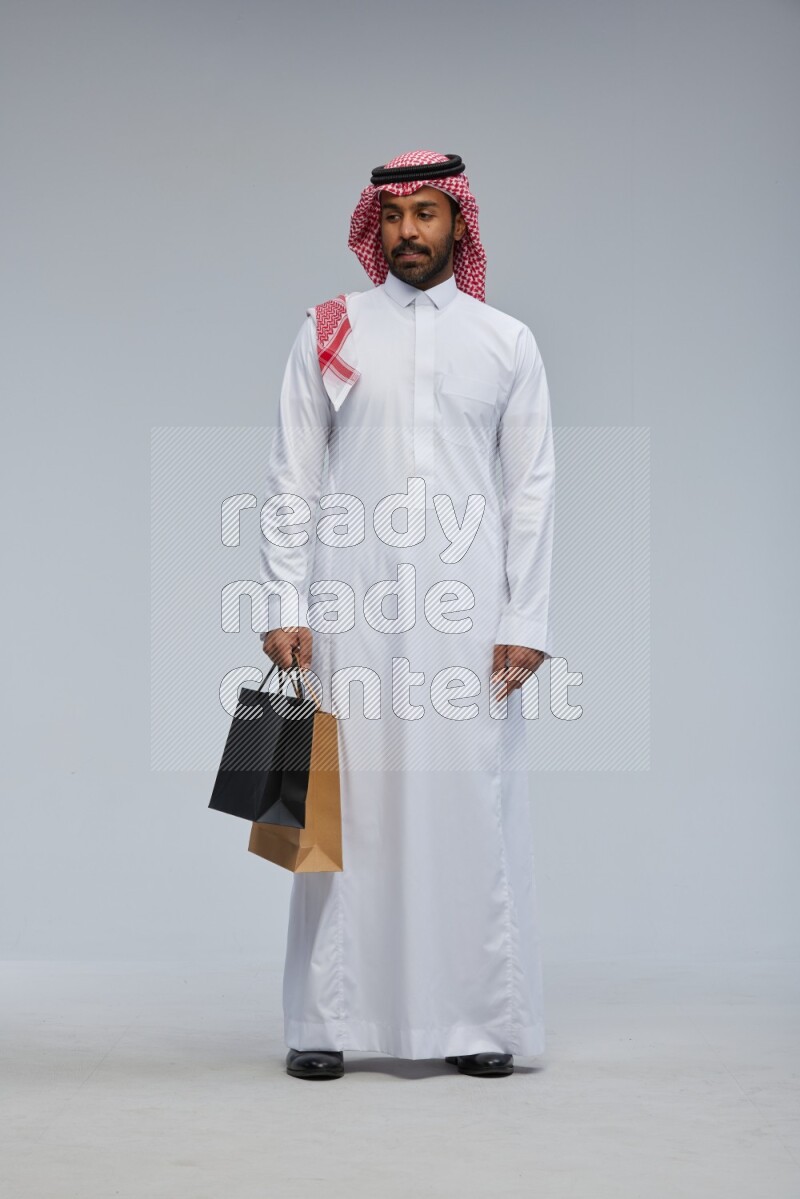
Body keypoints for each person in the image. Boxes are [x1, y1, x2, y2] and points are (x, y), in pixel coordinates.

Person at [257, 150, 556, 1080]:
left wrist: (526, 618)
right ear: (372, 226)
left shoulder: (507, 342)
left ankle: (474, 1022)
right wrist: (283, 600)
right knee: (336, 811)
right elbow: (292, 473)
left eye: (427, 215)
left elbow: (531, 491)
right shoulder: (332, 330)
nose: (408, 234)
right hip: (348, 607)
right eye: (393, 217)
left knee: (466, 804)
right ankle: (326, 1022)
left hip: (469, 619)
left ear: (458, 224)